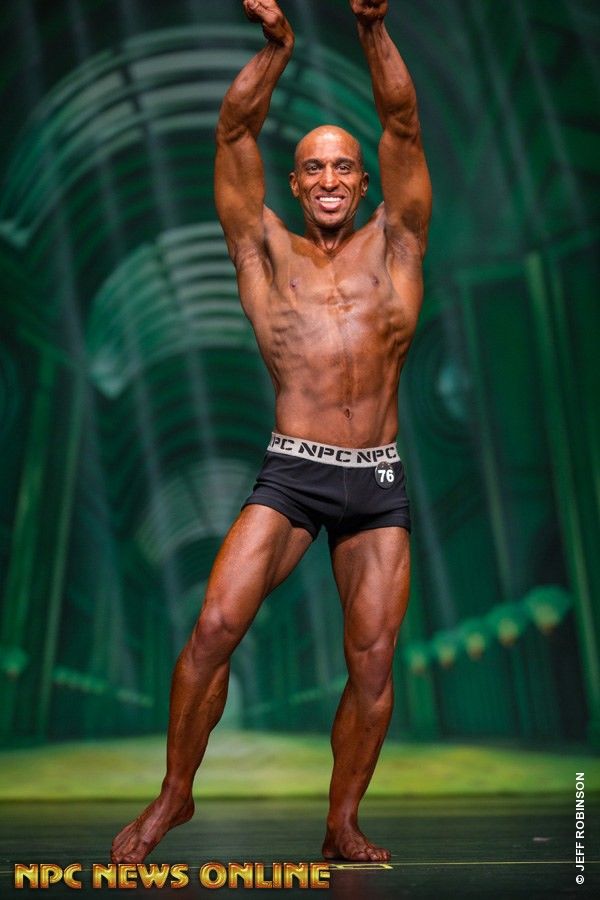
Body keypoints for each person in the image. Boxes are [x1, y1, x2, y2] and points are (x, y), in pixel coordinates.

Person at [111, 0, 430, 864]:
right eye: (313, 168)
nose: (329, 179)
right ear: (293, 184)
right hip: (293, 471)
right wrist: (277, 48)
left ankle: (341, 821)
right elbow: (231, 134)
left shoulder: (398, 242)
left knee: (372, 664)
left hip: (376, 479)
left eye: (344, 168)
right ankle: (174, 796)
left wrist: (371, 29)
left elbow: (401, 122)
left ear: (363, 184)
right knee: (213, 629)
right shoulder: (261, 248)